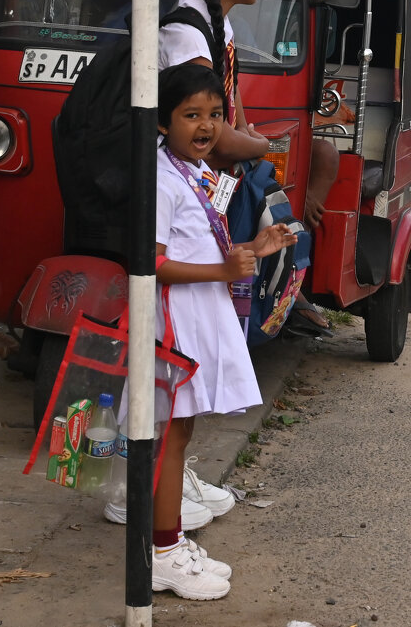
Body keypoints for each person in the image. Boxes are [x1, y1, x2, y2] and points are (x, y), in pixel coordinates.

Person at [150, 63, 298, 600]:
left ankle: (169, 542)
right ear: (164, 122)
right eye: (191, 114)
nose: (206, 125)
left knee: (180, 432)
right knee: (167, 435)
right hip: (174, 322)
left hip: (198, 314)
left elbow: (203, 245)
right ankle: (162, 552)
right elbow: (151, 262)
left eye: (214, 114)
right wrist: (221, 271)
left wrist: (255, 250)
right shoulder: (163, 180)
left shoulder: (196, 172)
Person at [160, 0, 334, 338]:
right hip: (182, 172)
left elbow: (231, 111)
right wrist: (255, 144)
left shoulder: (220, 27)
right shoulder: (186, 36)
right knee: (266, 173)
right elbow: (209, 133)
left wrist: (251, 138)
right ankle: (267, 296)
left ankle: (278, 287)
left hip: (206, 167)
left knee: (301, 159)